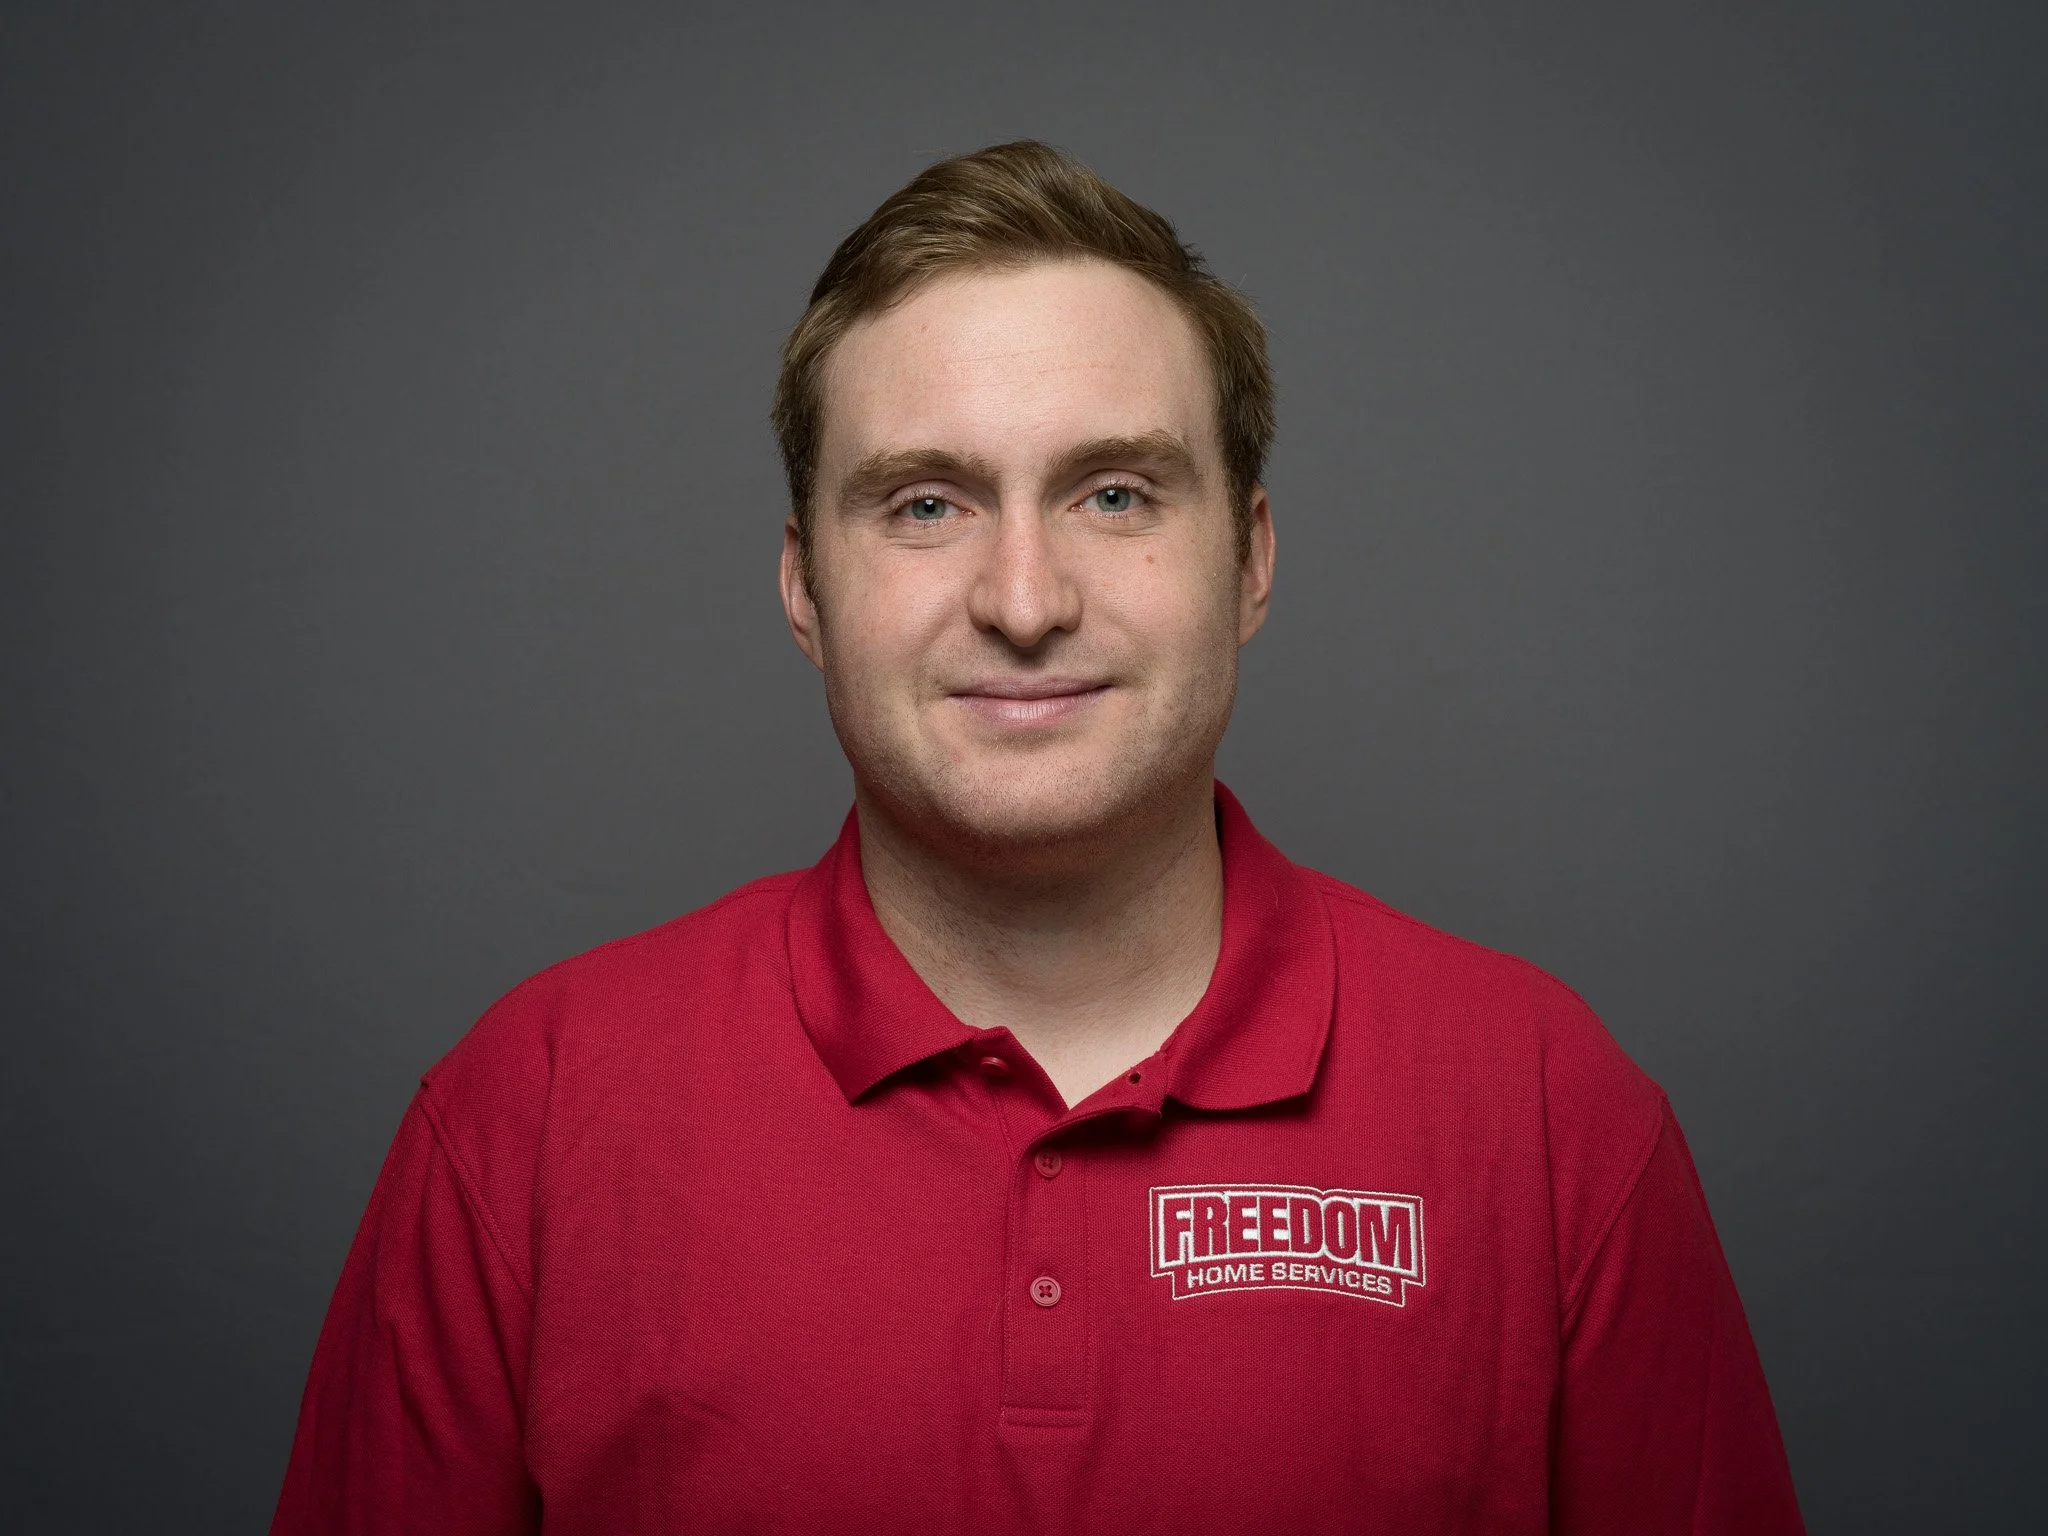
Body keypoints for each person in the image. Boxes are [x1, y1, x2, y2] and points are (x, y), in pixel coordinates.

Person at [271, 140, 1804, 1533]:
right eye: (927, 506)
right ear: (806, 584)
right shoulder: (529, 1118)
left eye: (1115, 493)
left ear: (1250, 558)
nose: (1024, 601)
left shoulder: (1545, 1111)